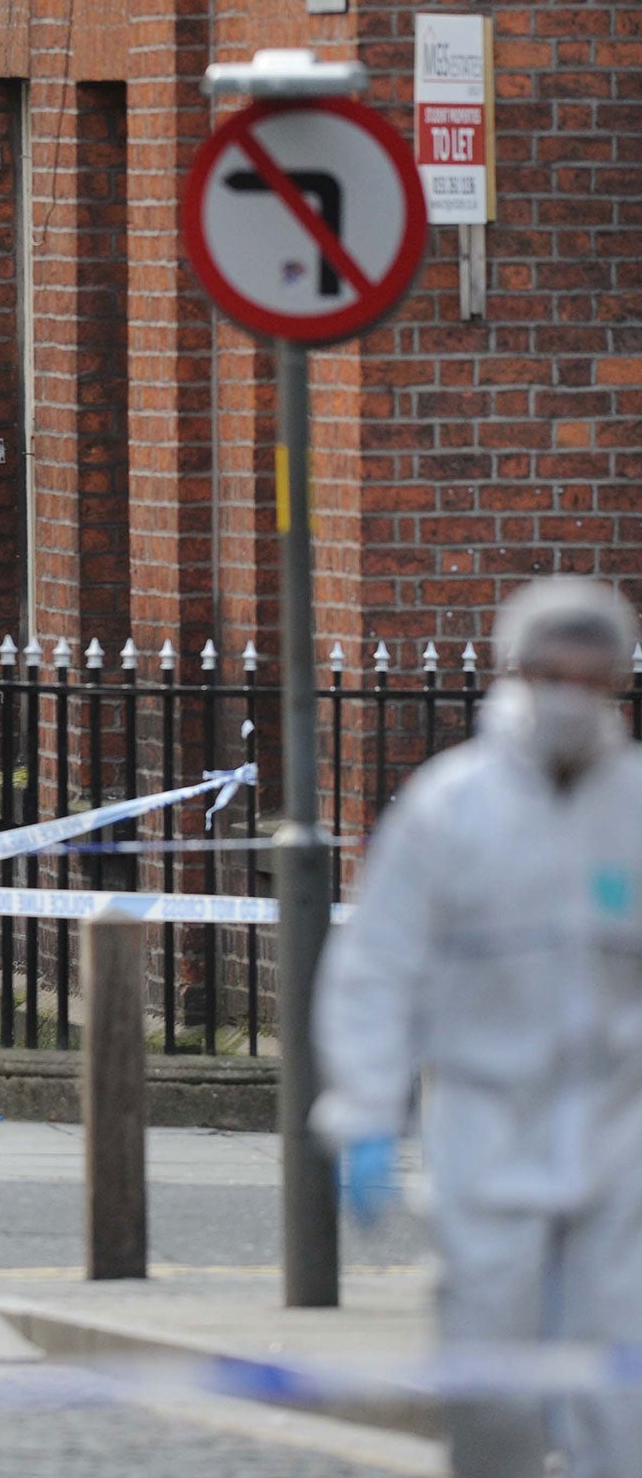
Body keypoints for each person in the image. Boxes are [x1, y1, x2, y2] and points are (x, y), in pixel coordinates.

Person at [313, 576, 642, 1478]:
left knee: (623, 1391)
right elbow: (380, 969)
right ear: (515, 671)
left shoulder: (634, 811)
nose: (570, 694)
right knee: (494, 1383)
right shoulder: (450, 809)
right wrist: (367, 1109)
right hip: (491, 1133)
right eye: (550, 672)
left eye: (591, 675)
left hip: (623, 1144)